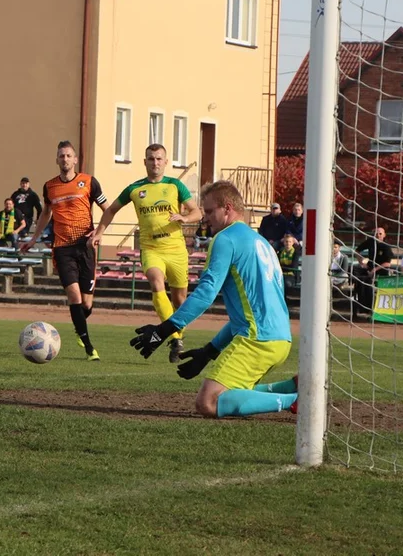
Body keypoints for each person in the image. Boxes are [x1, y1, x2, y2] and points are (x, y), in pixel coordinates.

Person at [129, 180, 297, 418]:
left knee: (208, 402)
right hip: (281, 340)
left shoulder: (226, 239)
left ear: (227, 208)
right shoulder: (260, 242)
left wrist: (164, 329)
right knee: (234, 392)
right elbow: (248, 314)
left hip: (256, 340)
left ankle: (298, 401)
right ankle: (292, 388)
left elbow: (206, 292)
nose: (204, 218)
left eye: (209, 211)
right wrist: (209, 351)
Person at [89, 144, 202, 363]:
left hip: (176, 250)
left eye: (159, 159)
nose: (155, 163)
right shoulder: (135, 188)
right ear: (145, 162)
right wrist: (100, 232)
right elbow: (111, 209)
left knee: (180, 301)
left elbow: (196, 211)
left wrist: (184, 218)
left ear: (166, 162)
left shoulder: (175, 185)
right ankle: (175, 338)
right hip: (151, 248)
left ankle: (178, 333)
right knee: (156, 283)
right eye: (151, 159)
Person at [20, 140, 108, 361]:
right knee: (74, 295)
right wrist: (33, 239)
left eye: (69, 156)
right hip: (62, 248)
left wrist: (97, 233)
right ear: (57, 159)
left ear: (75, 159)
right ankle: (89, 347)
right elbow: (46, 214)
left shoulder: (88, 182)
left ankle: (79, 325)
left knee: (86, 304)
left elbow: (108, 210)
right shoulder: (50, 187)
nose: (65, 159)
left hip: (85, 247)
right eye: (61, 156)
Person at [351, 226, 394, 318]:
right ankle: (361, 305)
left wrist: (375, 270)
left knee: (369, 283)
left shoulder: (386, 247)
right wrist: (362, 263)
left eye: (380, 233)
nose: (378, 235)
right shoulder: (370, 242)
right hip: (369, 270)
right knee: (354, 270)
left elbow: (387, 264)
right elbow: (357, 251)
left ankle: (370, 308)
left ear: (384, 235)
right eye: (376, 233)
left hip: (381, 271)